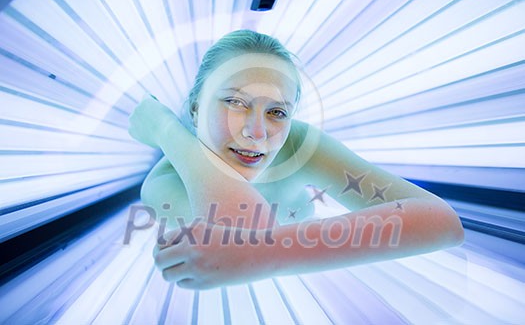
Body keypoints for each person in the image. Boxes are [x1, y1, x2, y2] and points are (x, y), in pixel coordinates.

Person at [128, 29, 464, 290]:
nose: (257, 132)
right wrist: (167, 130)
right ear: (195, 108)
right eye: (234, 102)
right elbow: (247, 231)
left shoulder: (299, 143)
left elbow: (444, 222)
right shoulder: (163, 185)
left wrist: (162, 125)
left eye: (277, 112)